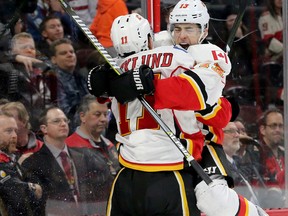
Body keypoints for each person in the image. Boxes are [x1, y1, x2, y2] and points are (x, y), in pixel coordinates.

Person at [90, 1, 267, 215]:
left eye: (189, 29)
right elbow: (123, 64)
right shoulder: (157, 47)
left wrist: (143, 85)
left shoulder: (209, 55)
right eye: (177, 28)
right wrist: (107, 79)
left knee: (214, 199)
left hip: (204, 141)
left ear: (204, 31)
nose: (182, 36)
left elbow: (215, 114)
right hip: (165, 147)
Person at [21, 106, 104, 215]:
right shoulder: (33, 163)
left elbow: (93, 190)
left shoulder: (83, 156)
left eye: (65, 120)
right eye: (56, 121)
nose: (63, 124)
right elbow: (37, 204)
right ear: (44, 128)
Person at [65, 94, 120, 215]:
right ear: (82, 116)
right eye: (97, 114)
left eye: (106, 114)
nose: (103, 119)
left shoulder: (110, 145)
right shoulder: (69, 146)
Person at [0, 32, 57, 130]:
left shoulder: (42, 71)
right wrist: (14, 57)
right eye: (24, 47)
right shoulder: (5, 69)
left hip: (42, 125)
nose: (29, 50)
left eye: (32, 48)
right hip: (15, 125)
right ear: (12, 50)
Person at [0, 110, 42, 216]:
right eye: (9, 131)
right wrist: (33, 187)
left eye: (15, 131)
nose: (14, 135)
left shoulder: (12, 159)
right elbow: (21, 199)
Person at [50, 38, 89, 131]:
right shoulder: (52, 79)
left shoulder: (80, 76)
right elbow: (65, 114)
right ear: (54, 59)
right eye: (63, 53)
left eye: (72, 52)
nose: (70, 55)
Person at [257, 107, 285, 208]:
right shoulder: (256, 155)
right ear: (263, 130)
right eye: (273, 126)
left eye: (280, 126)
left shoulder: (284, 154)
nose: (278, 130)